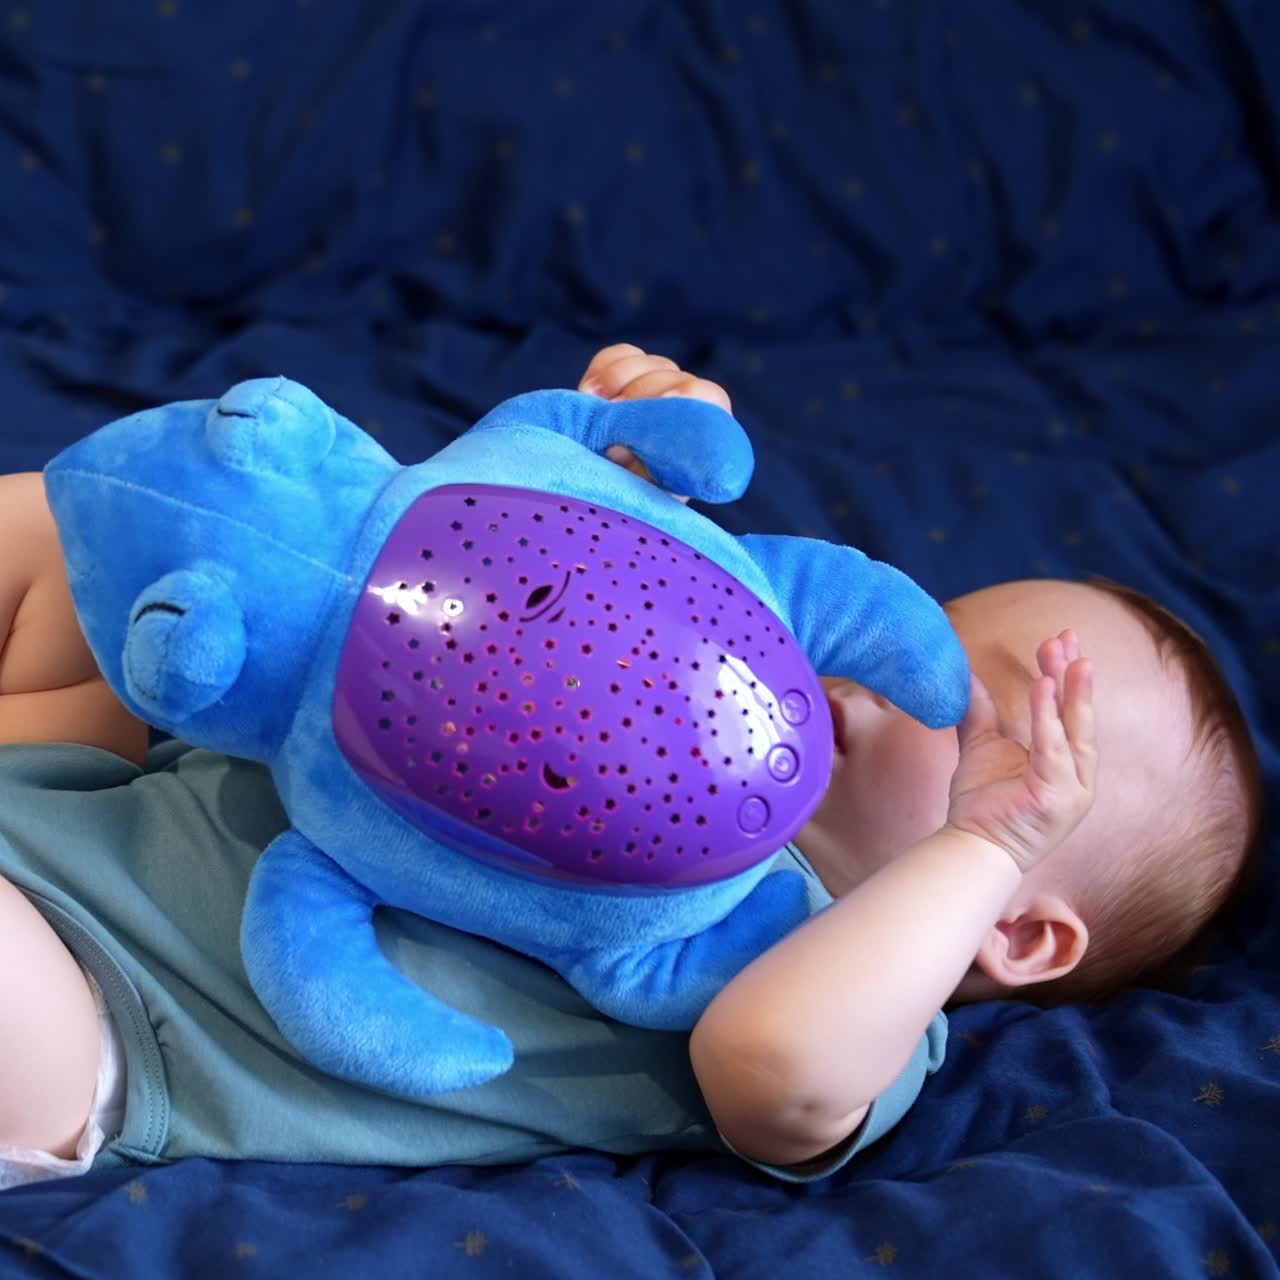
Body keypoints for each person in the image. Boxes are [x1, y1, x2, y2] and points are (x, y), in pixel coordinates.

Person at [0, 347, 1262, 1189]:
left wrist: (982, 842)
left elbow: (775, 1065)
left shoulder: (858, 1002)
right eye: (921, 623)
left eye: (977, 711)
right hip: (91, 789)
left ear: (1021, 930)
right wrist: (619, 487)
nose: (885, 670)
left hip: (115, 1020)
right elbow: (439, 604)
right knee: (76, 523)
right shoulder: (696, 683)